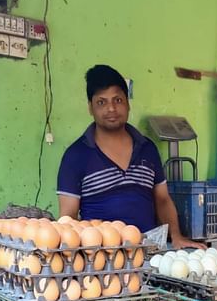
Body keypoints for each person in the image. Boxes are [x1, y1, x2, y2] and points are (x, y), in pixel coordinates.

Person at [57, 64, 204, 250]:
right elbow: (67, 219)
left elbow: (163, 199)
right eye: (101, 102)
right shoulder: (75, 156)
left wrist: (176, 236)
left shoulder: (148, 148)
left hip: (149, 253)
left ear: (128, 103)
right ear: (90, 108)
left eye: (117, 100)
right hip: (102, 259)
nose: (111, 108)